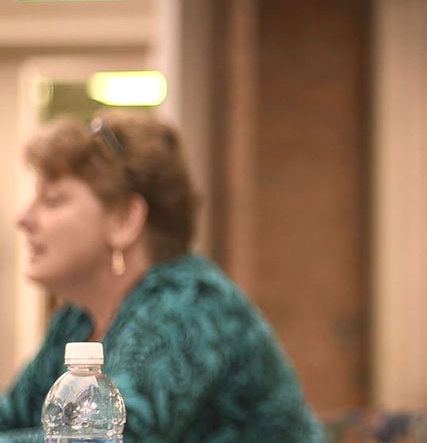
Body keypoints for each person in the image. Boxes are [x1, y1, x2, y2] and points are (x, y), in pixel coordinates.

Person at [0, 110, 324, 443]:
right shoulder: (75, 320)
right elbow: (10, 415)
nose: (23, 217)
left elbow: (113, 439)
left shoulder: (192, 301)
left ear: (124, 219)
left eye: (53, 200)